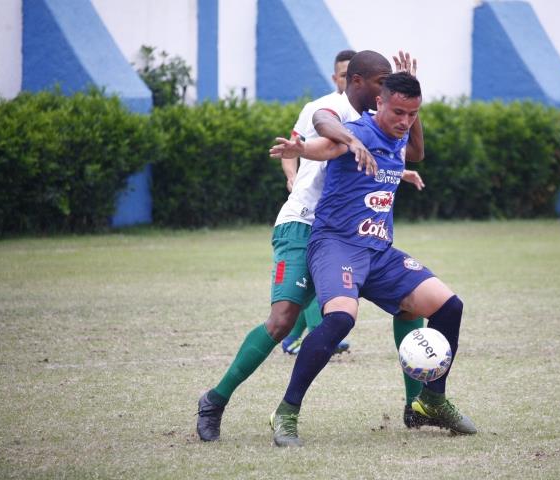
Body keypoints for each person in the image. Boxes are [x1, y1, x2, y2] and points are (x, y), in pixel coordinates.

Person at [197, 50, 429, 442]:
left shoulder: (384, 117)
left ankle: (417, 405)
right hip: (303, 225)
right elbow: (323, 126)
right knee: (283, 318)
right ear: (357, 82)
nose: (386, 89)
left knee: (411, 300)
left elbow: (411, 150)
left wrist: (399, 145)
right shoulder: (328, 106)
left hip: (350, 235)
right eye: (381, 83)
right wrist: (352, 143)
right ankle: (214, 400)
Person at [268, 72, 477, 447]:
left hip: (379, 251)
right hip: (336, 245)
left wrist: (406, 157)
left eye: (412, 114)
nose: (405, 122)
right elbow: (327, 145)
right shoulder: (359, 132)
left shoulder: (399, 137)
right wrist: (300, 151)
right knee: (340, 319)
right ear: (378, 102)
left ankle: (431, 400)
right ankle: (286, 412)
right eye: (398, 111)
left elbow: (412, 151)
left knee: (449, 306)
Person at [279, 49, 357, 356]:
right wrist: (291, 177)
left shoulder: (365, 114)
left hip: (339, 217)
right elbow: (292, 149)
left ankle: (292, 338)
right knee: (313, 277)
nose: (348, 80)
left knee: (314, 281)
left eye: (353, 75)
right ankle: (319, 335)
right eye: (343, 75)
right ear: (334, 77)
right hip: (310, 211)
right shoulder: (317, 108)